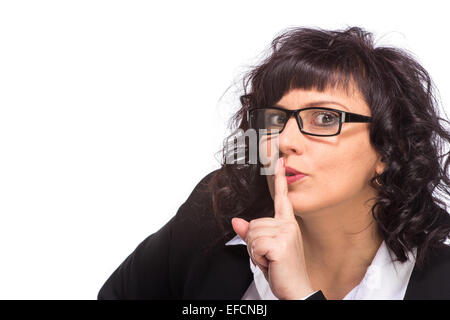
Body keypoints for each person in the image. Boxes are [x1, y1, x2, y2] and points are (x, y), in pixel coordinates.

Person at [97, 26, 450, 300]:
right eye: (276, 120)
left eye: (325, 119)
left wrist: (298, 294)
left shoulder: (440, 278)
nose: (283, 141)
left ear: (390, 148)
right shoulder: (215, 213)